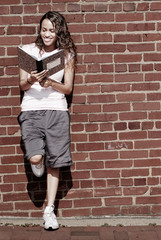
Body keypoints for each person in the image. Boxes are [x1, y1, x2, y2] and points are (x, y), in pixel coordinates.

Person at [18, 11, 76, 230]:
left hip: (57, 110)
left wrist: (51, 83)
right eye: (44, 29)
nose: (47, 34)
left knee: (56, 161)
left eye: (51, 30)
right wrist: (32, 79)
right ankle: (38, 160)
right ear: (40, 30)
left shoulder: (66, 55)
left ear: (58, 31)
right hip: (32, 110)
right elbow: (23, 85)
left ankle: (49, 209)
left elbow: (68, 88)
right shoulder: (28, 51)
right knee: (35, 158)